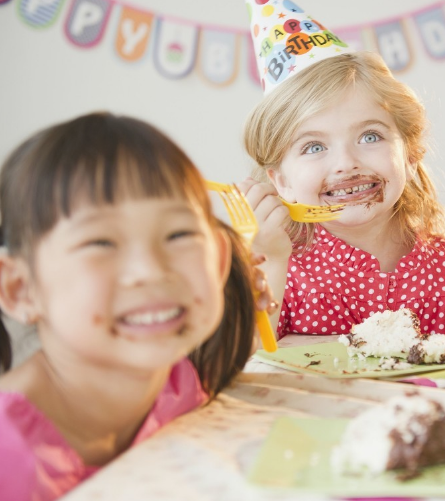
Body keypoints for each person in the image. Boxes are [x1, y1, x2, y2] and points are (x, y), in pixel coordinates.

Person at [0, 112, 268, 501]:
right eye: (100, 243)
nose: (150, 271)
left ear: (219, 260)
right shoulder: (11, 456)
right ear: (21, 289)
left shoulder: (185, 384)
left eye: (178, 234)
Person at [239, 50, 445, 348]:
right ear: (281, 181)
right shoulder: (280, 267)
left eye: (370, 137)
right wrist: (272, 262)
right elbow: (244, 362)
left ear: (410, 157)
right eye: (314, 146)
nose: (346, 162)